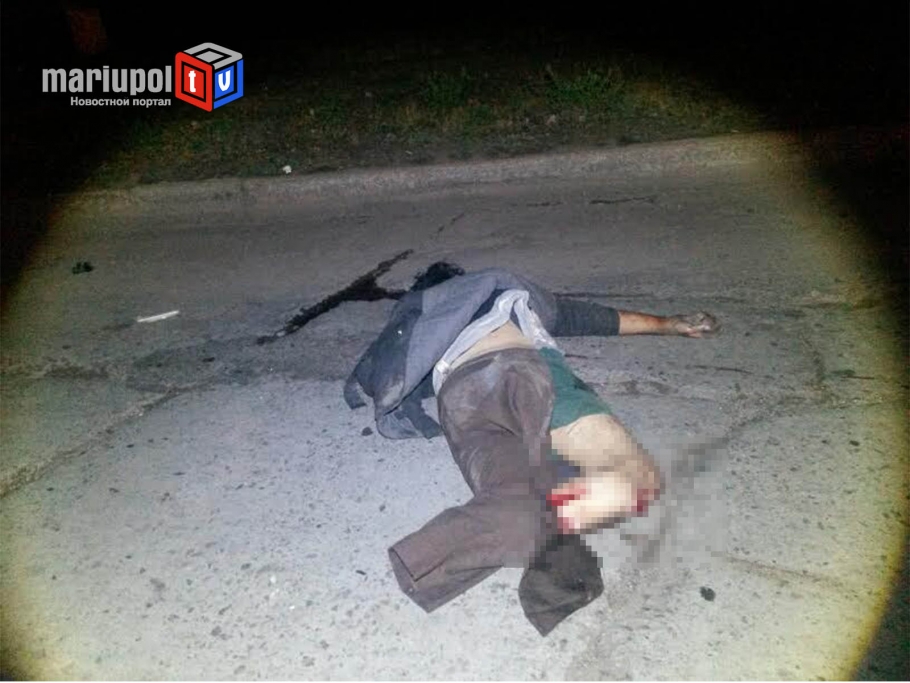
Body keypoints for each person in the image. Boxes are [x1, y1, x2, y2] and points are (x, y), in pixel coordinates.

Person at [344, 262, 719, 634]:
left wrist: (668, 324)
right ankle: (544, 530)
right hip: (524, 372)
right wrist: (667, 323)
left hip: (463, 403)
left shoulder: (415, 321)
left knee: (513, 498)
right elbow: (587, 317)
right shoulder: (494, 285)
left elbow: (377, 370)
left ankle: (438, 558)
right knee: (637, 482)